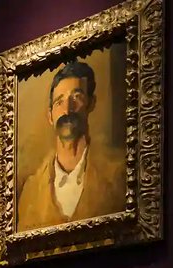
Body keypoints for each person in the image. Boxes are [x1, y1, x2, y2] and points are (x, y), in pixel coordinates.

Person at [17, 60, 125, 232]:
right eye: (59, 101)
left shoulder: (118, 175)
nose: (67, 109)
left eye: (77, 97)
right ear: (50, 116)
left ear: (91, 103)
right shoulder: (30, 191)